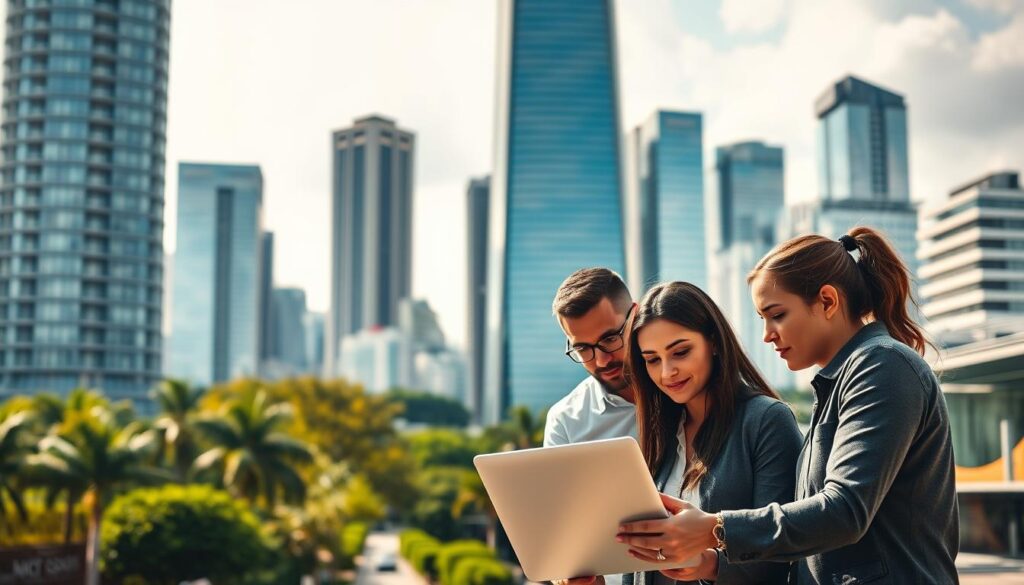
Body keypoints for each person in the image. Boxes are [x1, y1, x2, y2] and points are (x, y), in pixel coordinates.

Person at [616, 227, 959, 584]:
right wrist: (707, 562)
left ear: (827, 301)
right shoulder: (841, 381)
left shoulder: (882, 365)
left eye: (776, 314)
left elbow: (845, 511)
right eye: (763, 319)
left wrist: (715, 529)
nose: (767, 334)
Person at [620, 281, 802, 585]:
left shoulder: (766, 421)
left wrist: (711, 564)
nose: (667, 372)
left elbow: (785, 548)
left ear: (714, 342)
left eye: (680, 352)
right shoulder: (661, 433)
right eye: (652, 360)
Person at [545, 268, 638, 448]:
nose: (602, 361)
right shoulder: (565, 422)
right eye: (583, 348)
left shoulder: (681, 384)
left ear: (635, 316)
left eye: (610, 339)